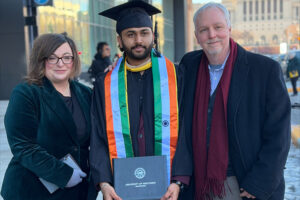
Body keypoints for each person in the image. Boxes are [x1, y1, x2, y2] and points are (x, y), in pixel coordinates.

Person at [180, 3, 291, 200]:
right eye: (204, 30)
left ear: (229, 29)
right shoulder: (189, 65)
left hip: (243, 184)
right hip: (197, 183)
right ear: (196, 36)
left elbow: (279, 135)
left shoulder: (265, 70)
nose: (212, 35)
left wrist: (259, 182)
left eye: (218, 27)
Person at [89, 1, 192, 200]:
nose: (138, 40)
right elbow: (98, 136)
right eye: (130, 34)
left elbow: (187, 130)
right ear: (119, 40)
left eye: (144, 33)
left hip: (170, 190)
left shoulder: (176, 76)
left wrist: (179, 180)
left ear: (152, 36)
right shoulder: (105, 84)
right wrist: (104, 182)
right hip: (121, 191)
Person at [1, 33, 97, 200]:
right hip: (33, 191)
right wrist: (64, 175)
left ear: (74, 60)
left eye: (67, 57)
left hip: (77, 191)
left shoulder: (86, 93)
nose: (60, 64)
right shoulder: (26, 93)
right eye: (52, 58)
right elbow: (23, 146)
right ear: (41, 60)